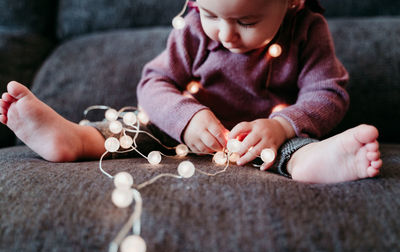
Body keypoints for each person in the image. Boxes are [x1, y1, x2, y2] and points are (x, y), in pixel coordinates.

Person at [0, 0, 382, 184]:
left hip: (262, 139)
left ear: (292, 2)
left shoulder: (306, 30)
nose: (226, 34)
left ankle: (312, 163)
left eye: (246, 22)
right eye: (212, 15)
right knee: (137, 129)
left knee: (287, 149)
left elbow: (328, 92)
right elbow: (154, 82)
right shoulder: (194, 29)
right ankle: (76, 139)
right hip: (183, 135)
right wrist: (186, 117)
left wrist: (283, 124)